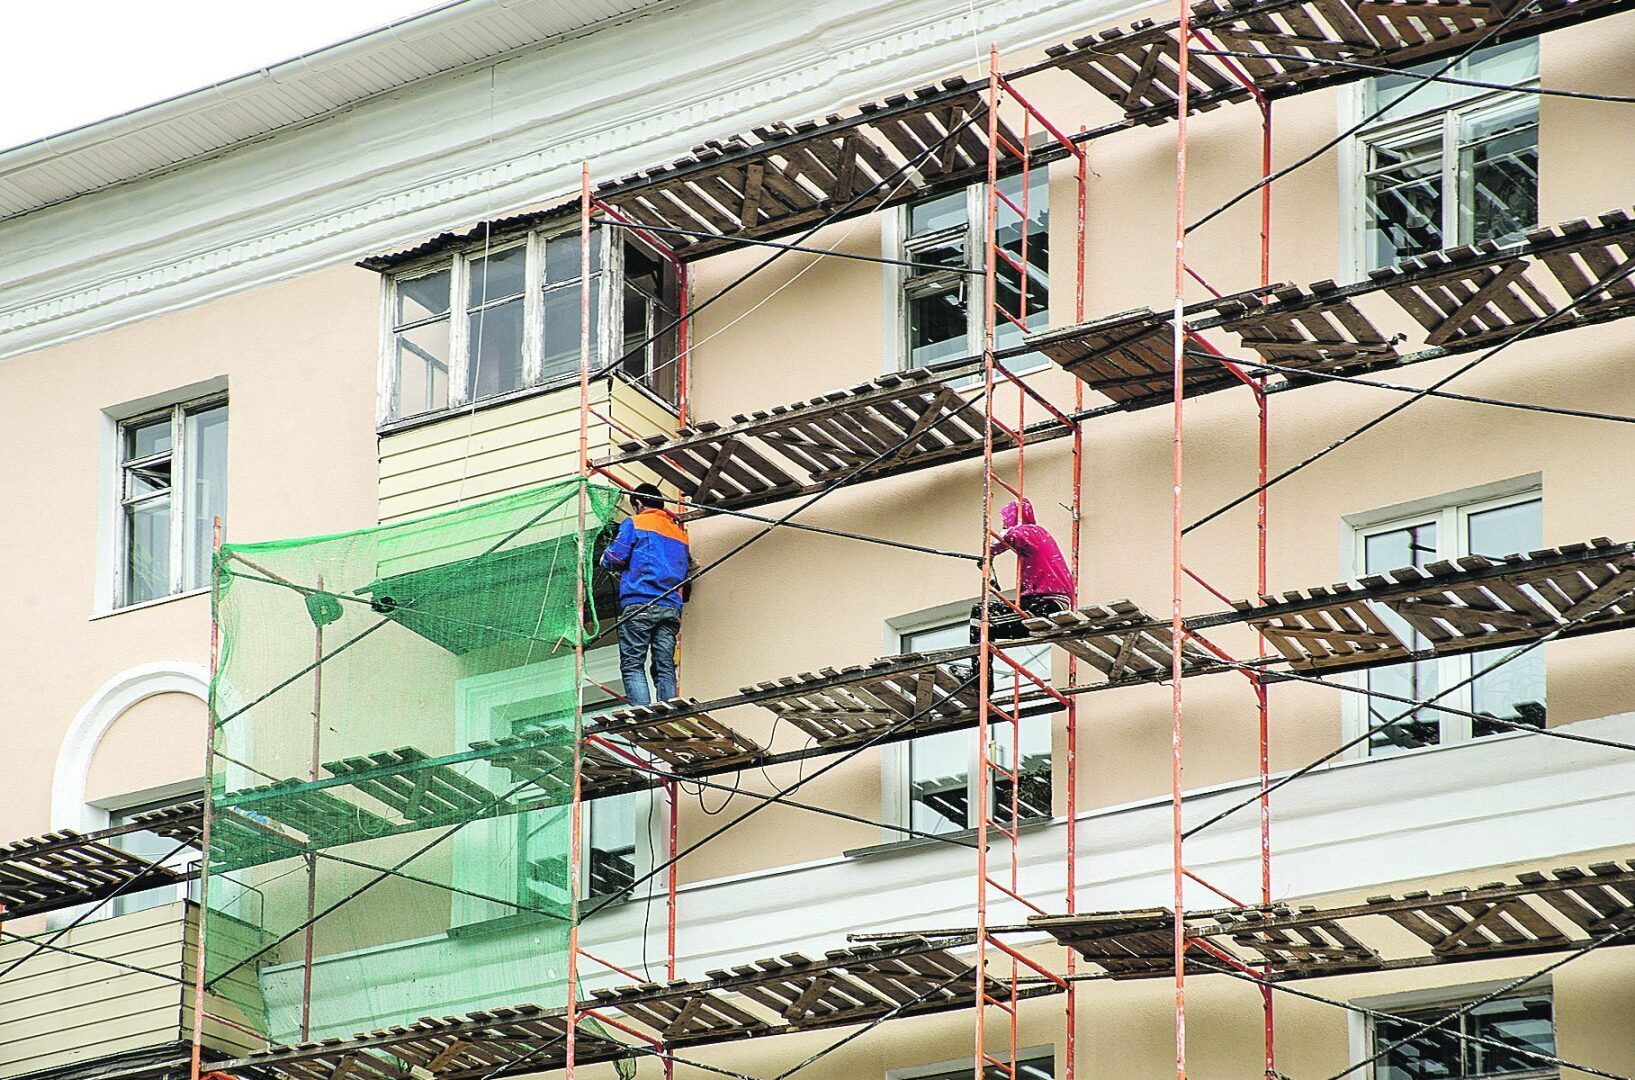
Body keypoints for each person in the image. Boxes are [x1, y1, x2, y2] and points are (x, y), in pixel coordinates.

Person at [600, 484, 691, 707]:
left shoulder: (636, 522)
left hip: (640, 602)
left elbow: (615, 557)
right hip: (670, 607)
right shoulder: (680, 534)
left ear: (638, 504)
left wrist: (605, 558)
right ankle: (668, 707)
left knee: (633, 663)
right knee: (664, 665)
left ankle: (641, 710)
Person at [990, 497, 1075, 618]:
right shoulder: (1037, 536)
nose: (1004, 524)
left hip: (1046, 601)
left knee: (984, 611)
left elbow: (1011, 536)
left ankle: (983, 636)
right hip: (1053, 600)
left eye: (1006, 520)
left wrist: (989, 552)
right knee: (1000, 622)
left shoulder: (1030, 531)